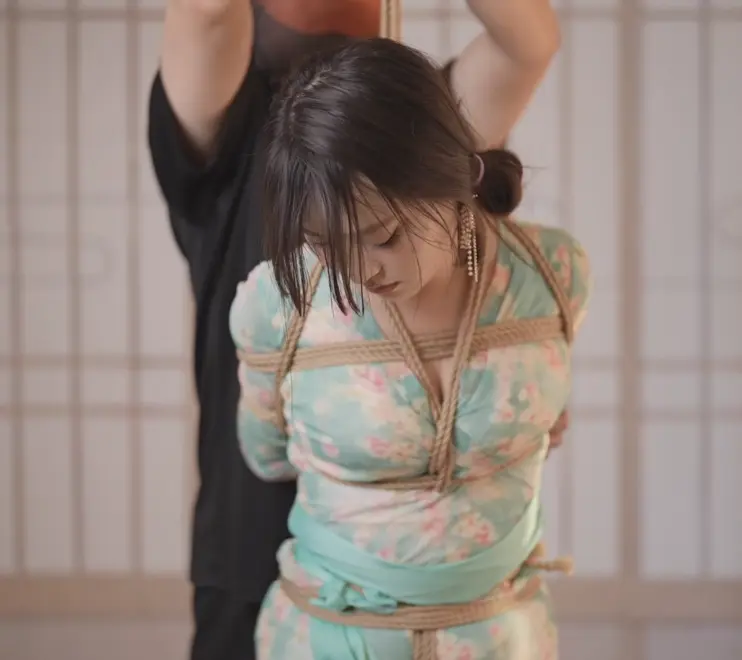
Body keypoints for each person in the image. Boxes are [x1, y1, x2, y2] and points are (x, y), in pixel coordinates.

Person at [147, 0, 562, 658]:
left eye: (383, 235)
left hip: (446, 588)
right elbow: (206, 11)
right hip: (261, 532)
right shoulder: (233, 124)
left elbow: (528, 42)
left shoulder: (412, 129)